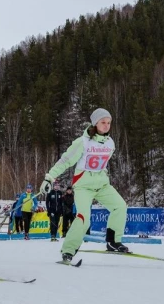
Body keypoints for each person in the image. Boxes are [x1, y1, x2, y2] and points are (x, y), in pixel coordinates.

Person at [39, 108, 129, 264]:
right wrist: (49, 178)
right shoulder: (82, 142)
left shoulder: (110, 143)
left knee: (120, 206)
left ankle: (113, 241)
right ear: (95, 123)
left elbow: (103, 164)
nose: (107, 126)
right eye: (103, 122)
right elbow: (65, 161)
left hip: (102, 185)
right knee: (83, 218)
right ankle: (68, 250)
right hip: (83, 186)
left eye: (109, 123)